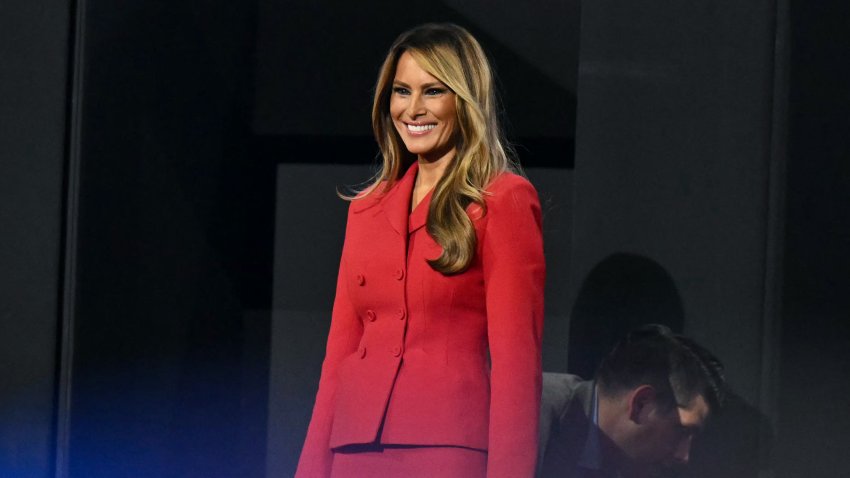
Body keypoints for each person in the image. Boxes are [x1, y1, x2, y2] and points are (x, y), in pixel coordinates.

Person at [295, 23, 545, 478]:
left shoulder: (502, 200)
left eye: (432, 91)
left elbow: (516, 365)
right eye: (401, 91)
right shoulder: (366, 210)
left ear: (464, 100)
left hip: (445, 448)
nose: (412, 108)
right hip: (353, 449)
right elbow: (338, 358)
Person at [537, 324, 726, 478]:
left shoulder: (614, 462)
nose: (683, 456)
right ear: (641, 404)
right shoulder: (533, 411)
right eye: (682, 430)